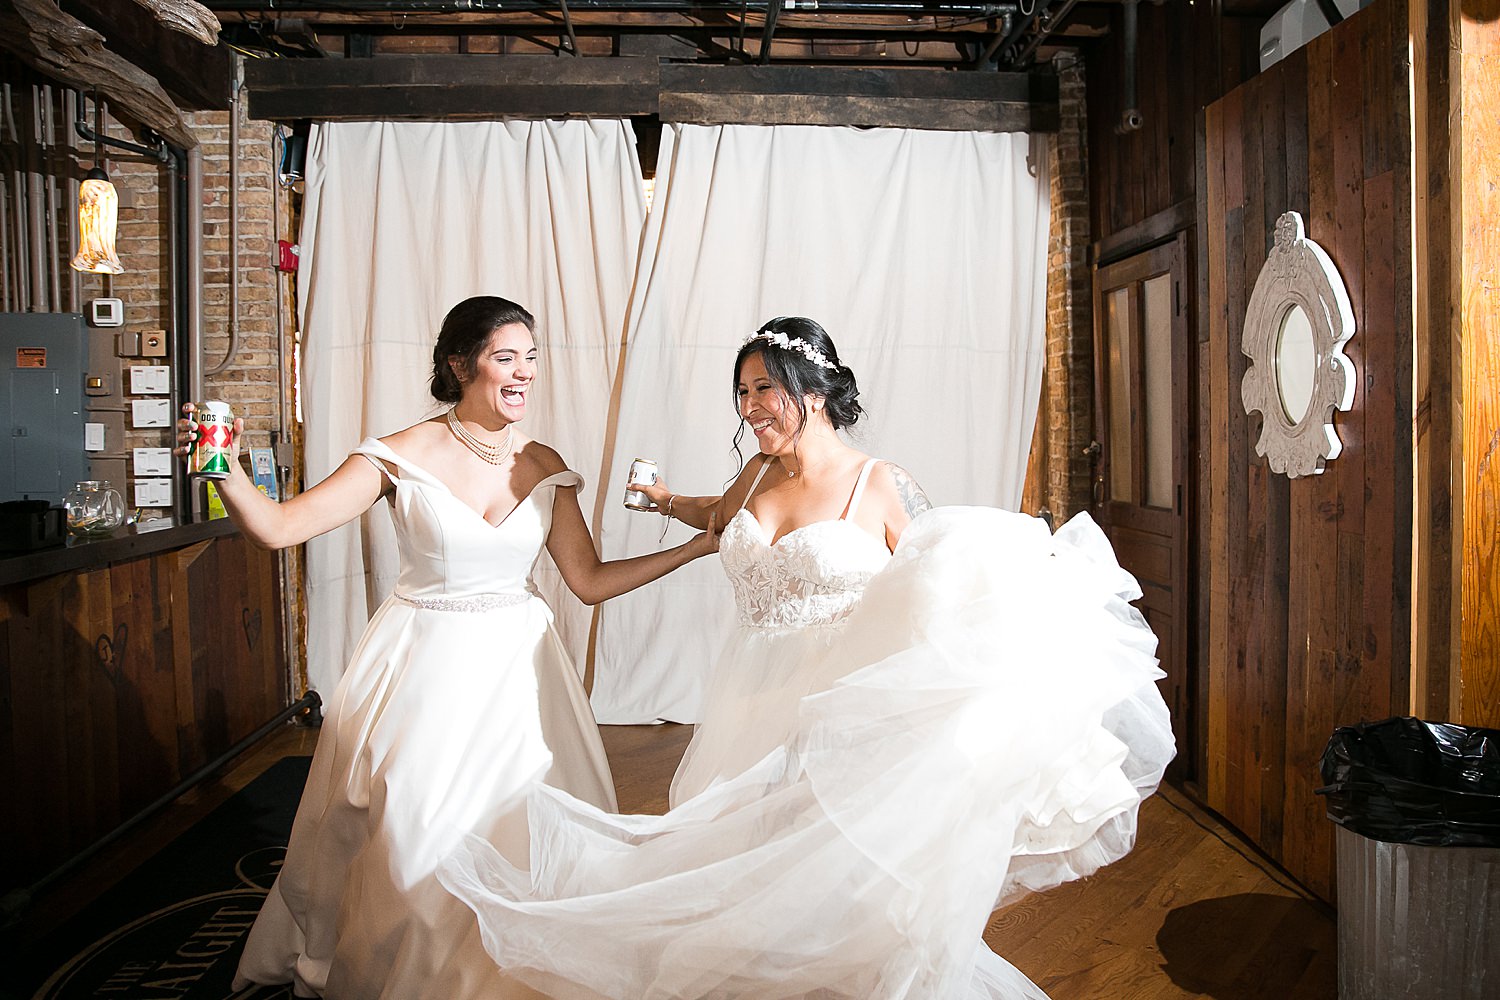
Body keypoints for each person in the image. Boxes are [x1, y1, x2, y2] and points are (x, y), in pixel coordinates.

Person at [439, 316, 1177, 999]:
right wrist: (666, 501)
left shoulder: (879, 483)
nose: (749, 405)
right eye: (742, 391)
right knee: (739, 875)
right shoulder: (758, 474)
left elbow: (944, 583)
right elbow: (721, 516)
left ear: (815, 390)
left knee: (832, 887)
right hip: (745, 704)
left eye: (764, 388)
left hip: (835, 709)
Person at [179, 296, 720, 999]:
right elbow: (281, 529)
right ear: (459, 364)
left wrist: (699, 546)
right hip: (424, 671)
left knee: (524, 829)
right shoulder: (398, 456)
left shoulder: (544, 463)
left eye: (531, 357)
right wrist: (222, 468)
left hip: (519, 681)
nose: (524, 372)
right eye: (506, 357)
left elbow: (587, 582)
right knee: (416, 833)